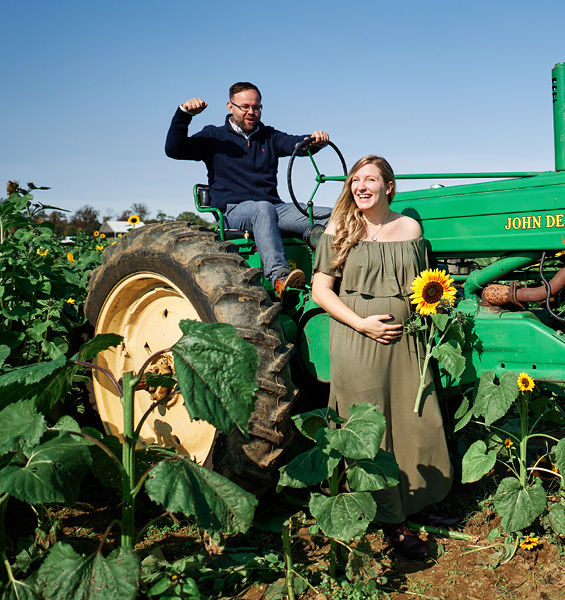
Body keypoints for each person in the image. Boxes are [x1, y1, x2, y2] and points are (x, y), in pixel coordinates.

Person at [311, 155, 456, 560]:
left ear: (388, 186)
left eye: (369, 179)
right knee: (369, 421)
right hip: (358, 337)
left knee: (414, 417)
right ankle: (392, 521)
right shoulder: (341, 228)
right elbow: (321, 291)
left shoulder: (409, 227)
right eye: (354, 180)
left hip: (407, 338)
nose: (360, 186)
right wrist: (362, 324)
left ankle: (417, 501)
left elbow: (424, 283)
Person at [165, 81, 332, 298]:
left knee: (331, 215)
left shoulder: (269, 136)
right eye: (245, 107)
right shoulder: (213, 136)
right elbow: (174, 149)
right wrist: (184, 114)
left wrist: (314, 141)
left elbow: (297, 145)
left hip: (274, 209)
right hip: (233, 212)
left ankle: (331, 278)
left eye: (256, 107)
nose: (251, 112)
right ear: (230, 106)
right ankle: (280, 278)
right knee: (262, 209)